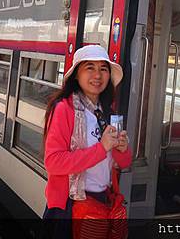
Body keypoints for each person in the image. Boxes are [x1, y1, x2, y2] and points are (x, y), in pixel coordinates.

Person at [43, 45, 131, 239]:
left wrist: (122, 150)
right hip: (69, 208)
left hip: (101, 202)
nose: (97, 75)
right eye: (90, 67)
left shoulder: (106, 111)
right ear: (76, 75)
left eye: (103, 69)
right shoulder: (64, 109)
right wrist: (102, 148)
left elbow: (123, 164)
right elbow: (53, 162)